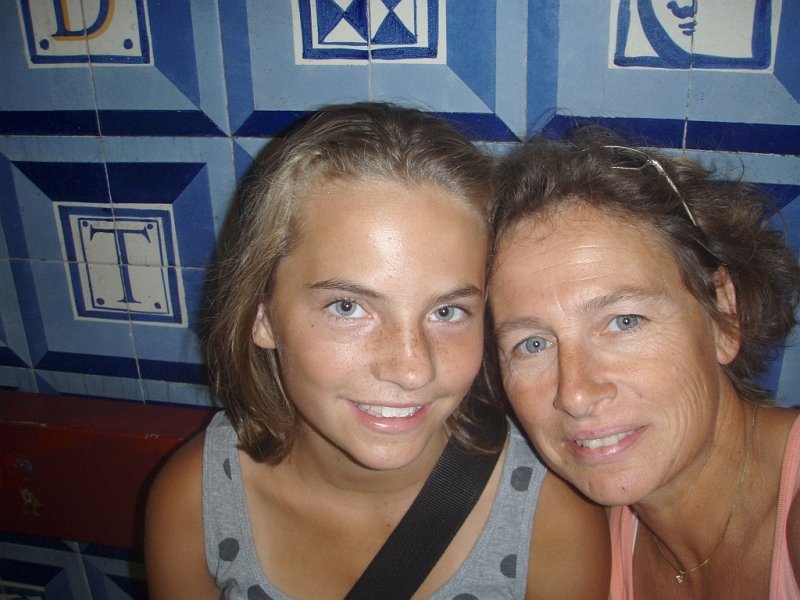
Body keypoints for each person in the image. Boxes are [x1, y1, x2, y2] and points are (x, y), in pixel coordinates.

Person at [144, 102, 610, 600]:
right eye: (347, 307)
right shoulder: (197, 500)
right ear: (263, 315)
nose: (411, 369)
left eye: (447, 311)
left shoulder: (550, 518)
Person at [488, 125, 800, 599]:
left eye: (624, 321)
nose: (576, 394)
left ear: (723, 315)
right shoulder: (581, 545)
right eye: (532, 344)